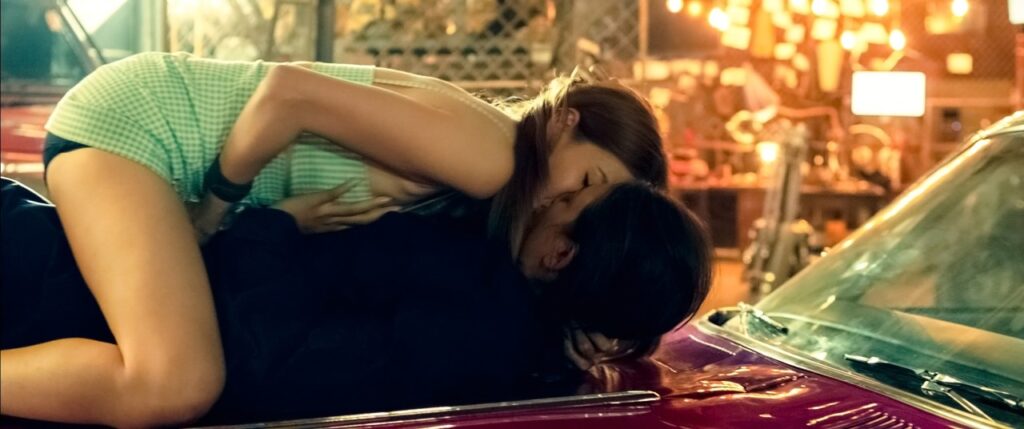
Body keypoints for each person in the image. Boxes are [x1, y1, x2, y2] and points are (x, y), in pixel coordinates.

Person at [2, 50, 666, 426]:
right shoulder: (492, 157)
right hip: (147, 131)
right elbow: (287, 94)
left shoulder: (498, 197)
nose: (565, 205)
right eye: (586, 182)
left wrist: (582, 320)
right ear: (564, 123)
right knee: (174, 382)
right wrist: (212, 212)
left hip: (163, 149)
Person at [1, 177, 712, 424]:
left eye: (569, 202)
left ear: (561, 255)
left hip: (79, 303)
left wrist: (275, 226)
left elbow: (272, 358)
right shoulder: (506, 323)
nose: (550, 196)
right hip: (99, 287)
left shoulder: (470, 325)